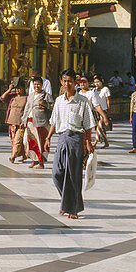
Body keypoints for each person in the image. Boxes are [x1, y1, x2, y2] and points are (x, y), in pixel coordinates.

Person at [44, 69, 95, 219]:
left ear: (75, 82)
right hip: (62, 138)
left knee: (73, 174)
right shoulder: (59, 100)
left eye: (70, 81)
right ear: (61, 82)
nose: (67, 84)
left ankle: (72, 209)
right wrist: (48, 138)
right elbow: (54, 121)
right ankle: (66, 202)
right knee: (57, 173)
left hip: (76, 139)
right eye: (64, 81)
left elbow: (88, 125)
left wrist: (88, 143)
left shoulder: (83, 101)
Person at [79, 76, 111, 147]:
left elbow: (97, 106)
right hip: (79, 117)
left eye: (84, 82)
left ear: (88, 83)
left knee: (95, 131)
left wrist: (105, 116)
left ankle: (92, 145)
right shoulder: (78, 93)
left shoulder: (91, 93)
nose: (82, 84)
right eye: (81, 82)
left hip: (88, 116)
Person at [1, 80, 29, 162]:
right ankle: (23, 155)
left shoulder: (27, 98)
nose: (17, 91)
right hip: (11, 122)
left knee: (18, 140)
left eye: (19, 89)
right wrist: (9, 90)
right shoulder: (12, 97)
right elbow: (2, 98)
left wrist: (24, 121)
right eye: (16, 89)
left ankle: (13, 157)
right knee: (13, 140)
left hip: (20, 123)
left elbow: (28, 110)